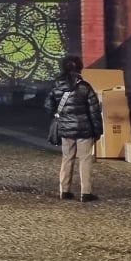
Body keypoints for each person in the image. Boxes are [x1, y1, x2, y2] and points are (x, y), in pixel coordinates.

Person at [49, 55, 104, 202]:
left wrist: (59, 115)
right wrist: (98, 130)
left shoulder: (57, 86)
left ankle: (64, 191)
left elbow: (48, 106)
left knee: (67, 158)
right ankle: (86, 192)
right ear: (79, 67)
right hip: (85, 129)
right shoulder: (85, 87)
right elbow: (94, 111)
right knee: (85, 159)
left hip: (66, 129)